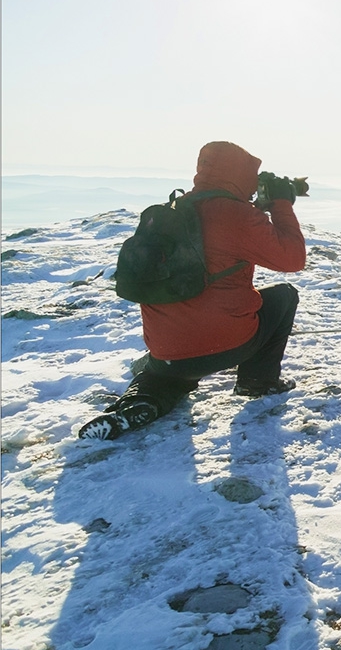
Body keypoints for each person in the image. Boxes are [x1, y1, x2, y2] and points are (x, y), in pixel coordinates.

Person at [79, 141, 308, 440]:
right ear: (242, 175)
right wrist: (280, 204)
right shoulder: (236, 215)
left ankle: (140, 401)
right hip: (229, 344)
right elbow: (293, 258)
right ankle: (257, 382)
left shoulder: (170, 212)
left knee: (165, 374)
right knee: (283, 295)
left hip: (167, 351)